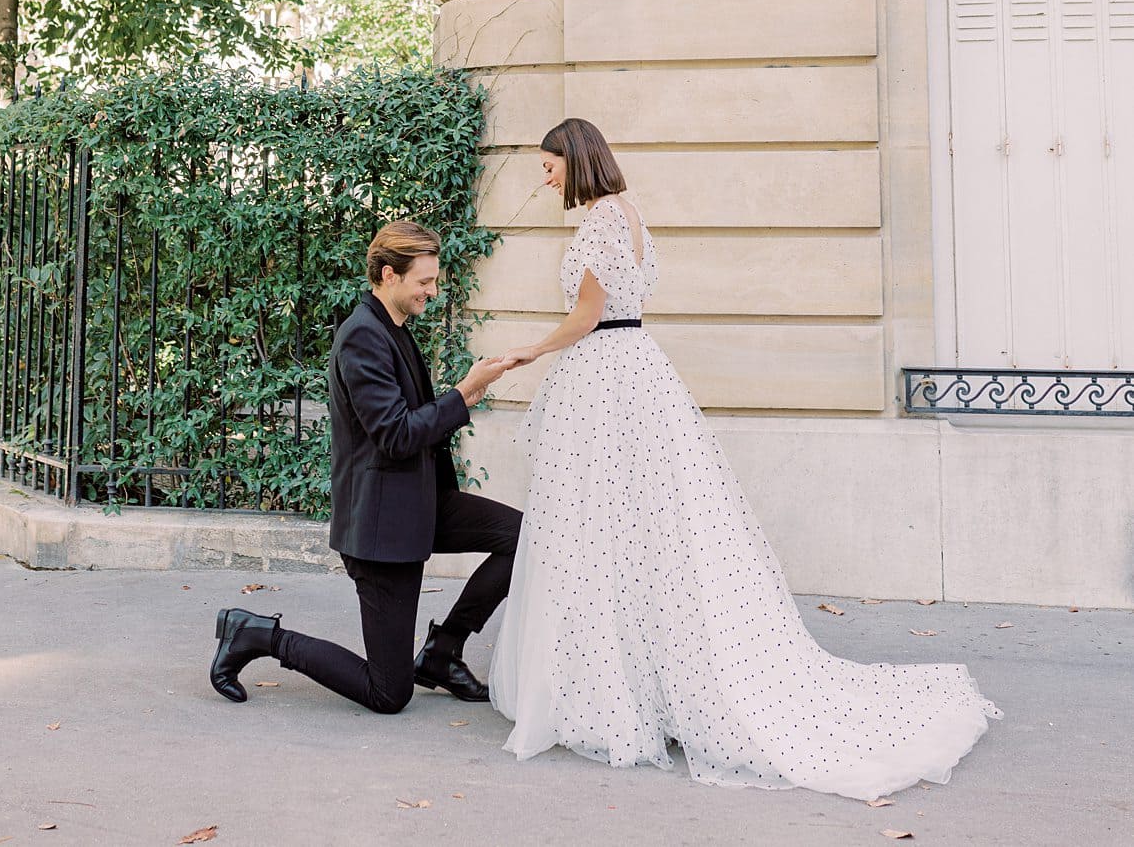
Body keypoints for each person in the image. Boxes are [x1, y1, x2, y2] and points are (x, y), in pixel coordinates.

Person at [488, 118, 1000, 800]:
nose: (544, 176)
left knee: (605, 531)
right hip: (631, 370)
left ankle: (620, 691)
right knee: (631, 533)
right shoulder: (628, 212)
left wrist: (527, 350)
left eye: (548, 164)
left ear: (575, 157)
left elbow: (587, 316)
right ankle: (631, 684)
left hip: (609, 372)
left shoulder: (604, 220)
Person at [210, 219, 520, 713]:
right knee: (387, 692)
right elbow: (396, 435)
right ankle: (255, 636)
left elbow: (408, 421)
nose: (432, 292)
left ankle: (443, 652)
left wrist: (463, 393)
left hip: (420, 501)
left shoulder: (393, 329)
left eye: (434, 280)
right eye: (424, 282)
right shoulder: (363, 336)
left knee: (523, 538)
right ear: (389, 275)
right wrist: (461, 395)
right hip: (383, 525)